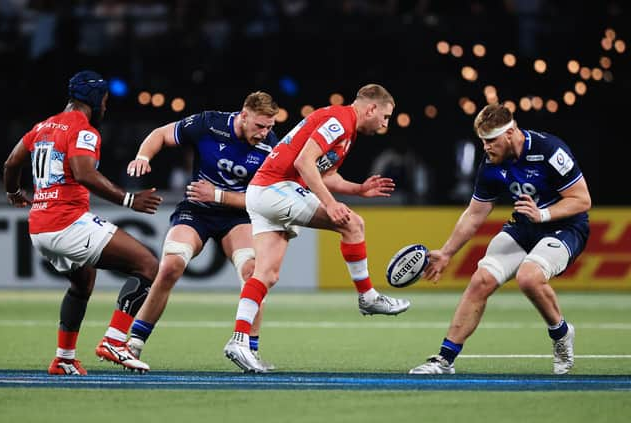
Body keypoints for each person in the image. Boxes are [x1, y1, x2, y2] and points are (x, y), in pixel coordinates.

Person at [223, 83, 411, 373]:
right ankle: (368, 297)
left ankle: (239, 340)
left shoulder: (345, 130)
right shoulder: (340, 120)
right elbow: (304, 163)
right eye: (385, 117)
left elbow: (328, 175)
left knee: (266, 274)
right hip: (276, 189)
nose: (385, 124)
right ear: (371, 108)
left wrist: (359, 189)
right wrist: (330, 203)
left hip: (262, 192)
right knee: (353, 224)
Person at [409, 103, 591, 375]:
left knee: (529, 277)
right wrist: (446, 253)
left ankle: (561, 334)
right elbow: (474, 214)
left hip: (565, 227)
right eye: (483, 141)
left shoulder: (549, 150)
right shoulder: (491, 164)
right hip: (525, 227)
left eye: (491, 140)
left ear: (511, 133)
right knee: (480, 280)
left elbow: (582, 199)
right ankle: (444, 360)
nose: (486, 147)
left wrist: (543, 214)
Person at [3, 70, 163, 375]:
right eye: (104, 100)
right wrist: (129, 200)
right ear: (93, 99)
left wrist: (13, 192)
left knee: (82, 283)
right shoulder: (83, 129)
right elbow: (84, 173)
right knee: (147, 264)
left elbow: (11, 162)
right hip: (67, 223)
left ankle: (64, 358)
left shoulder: (43, 126)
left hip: (39, 227)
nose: (106, 107)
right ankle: (115, 341)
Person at [123, 91, 280, 370]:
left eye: (270, 127)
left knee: (253, 273)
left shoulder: (270, 147)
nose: (264, 133)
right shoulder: (209, 124)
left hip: (238, 216)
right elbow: (160, 134)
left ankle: (248, 349)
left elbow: (263, 200)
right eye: (259, 126)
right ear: (243, 116)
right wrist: (143, 157)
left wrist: (218, 195)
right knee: (171, 265)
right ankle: (133, 343)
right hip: (197, 210)